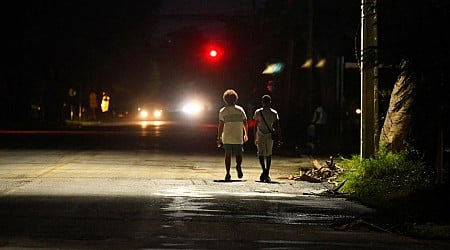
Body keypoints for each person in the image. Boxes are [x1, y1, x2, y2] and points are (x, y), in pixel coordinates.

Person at [217, 89, 249, 181]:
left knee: (228, 155)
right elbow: (245, 122)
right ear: (236, 99)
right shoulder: (240, 110)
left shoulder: (223, 111)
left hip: (227, 136)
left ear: (225, 100)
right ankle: (238, 166)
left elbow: (221, 125)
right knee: (239, 154)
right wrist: (246, 133)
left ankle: (227, 173)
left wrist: (218, 137)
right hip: (238, 136)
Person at [253, 95, 281, 183]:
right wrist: (279, 137)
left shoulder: (258, 112)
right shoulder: (274, 113)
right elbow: (277, 126)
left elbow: (255, 125)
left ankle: (264, 170)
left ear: (262, 102)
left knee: (260, 154)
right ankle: (267, 172)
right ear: (270, 102)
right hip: (269, 135)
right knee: (269, 154)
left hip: (260, 134)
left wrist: (255, 136)